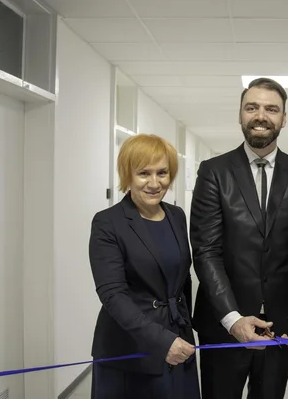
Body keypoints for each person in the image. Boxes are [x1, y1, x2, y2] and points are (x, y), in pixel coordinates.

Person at [190, 77, 288, 399]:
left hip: (280, 323)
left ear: (283, 118)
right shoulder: (214, 172)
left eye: (271, 109)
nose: (261, 115)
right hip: (225, 323)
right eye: (252, 107)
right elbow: (206, 251)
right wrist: (233, 319)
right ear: (240, 114)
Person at [88, 134, 200, 399]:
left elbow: (181, 280)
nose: (154, 183)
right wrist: (162, 341)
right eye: (143, 173)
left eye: (162, 173)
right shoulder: (108, 222)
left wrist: (186, 327)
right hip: (131, 349)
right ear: (127, 174)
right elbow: (113, 295)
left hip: (178, 340)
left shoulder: (176, 216)